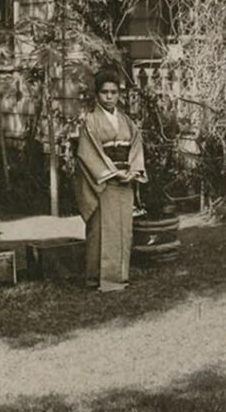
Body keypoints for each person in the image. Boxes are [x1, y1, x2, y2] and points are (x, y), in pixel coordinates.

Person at [73, 70, 147, 291]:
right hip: (104, 181)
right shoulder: (91, 121)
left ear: (118, 95)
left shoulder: (127, 121)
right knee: (100, 229)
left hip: (125, 181)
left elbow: (136, 148)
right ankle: (96, 278)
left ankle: (119, 277)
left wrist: (133, 171)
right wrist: (114, 172)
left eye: (113, 92)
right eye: (104, 92)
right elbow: (88, 152)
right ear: (97, 95)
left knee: (123, 230)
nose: (109, 97)